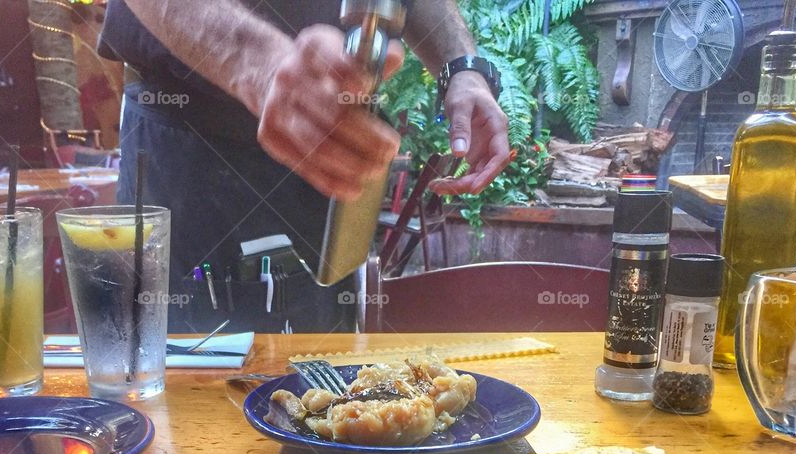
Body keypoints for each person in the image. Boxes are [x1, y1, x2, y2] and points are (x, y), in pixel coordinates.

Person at [100, 0, 510, 333]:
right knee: (187, 395)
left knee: (324, 383)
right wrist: (257, 65)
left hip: (333, 139)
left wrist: (462, 66)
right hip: (189, 148)